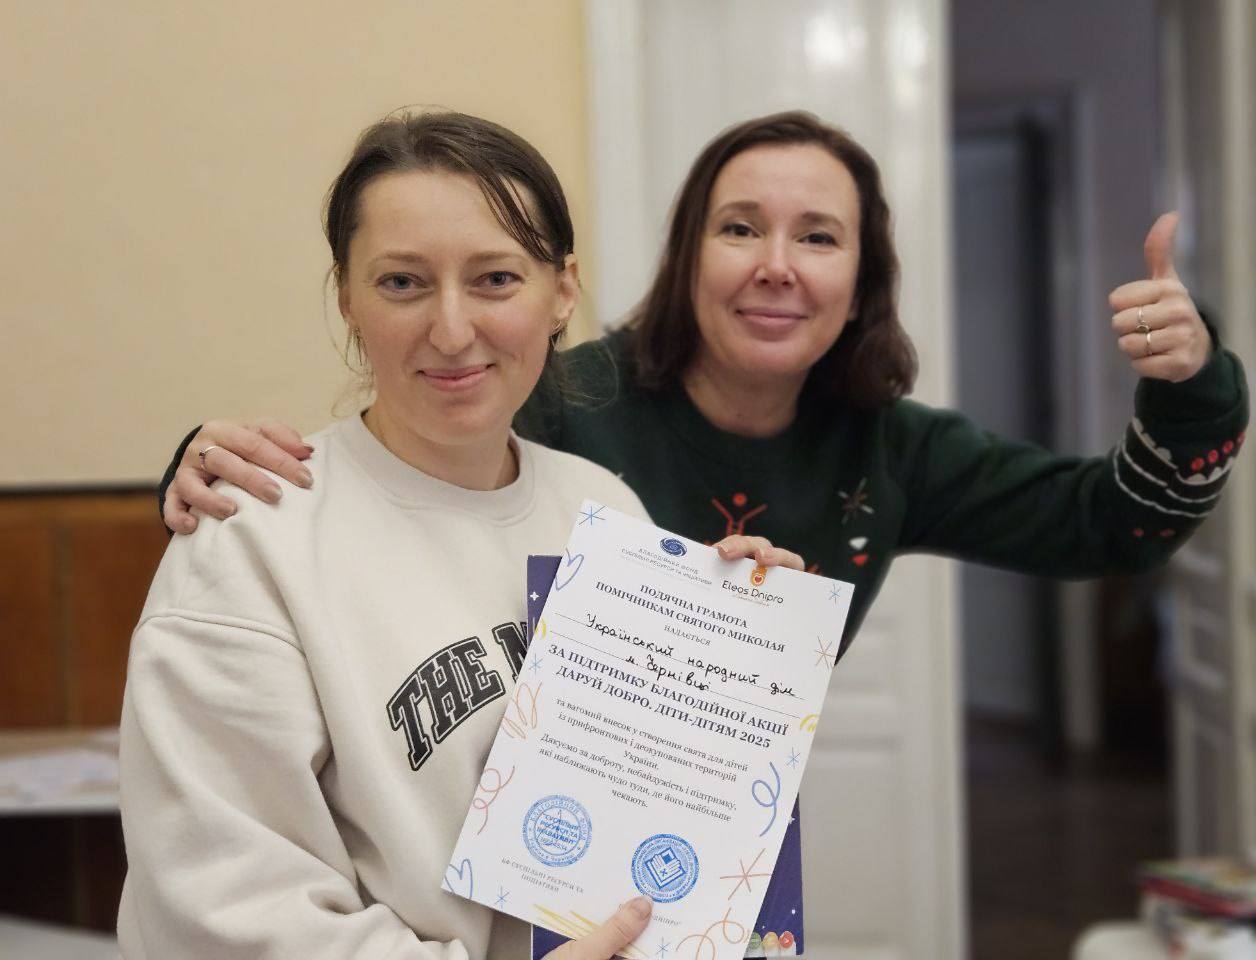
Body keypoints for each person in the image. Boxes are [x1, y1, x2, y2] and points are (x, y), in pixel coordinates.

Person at [161, 111, 1248, 663]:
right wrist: (202, 472)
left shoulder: (893, 451)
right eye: (738, 228)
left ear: (860, 282)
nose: (775, 265)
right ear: (687, 256)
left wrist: (1192, 381)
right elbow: (384, 468)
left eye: (817, 236)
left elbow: (1118, 527)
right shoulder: (553, 401)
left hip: (716, 854)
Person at [119, 110, 803, 960]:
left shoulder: (604, 509)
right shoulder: (253, 534)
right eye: (403, 282)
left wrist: (732, 658)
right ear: (347, 298)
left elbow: (664, 826)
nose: (450, 330)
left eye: (495, 279)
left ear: (561, 293)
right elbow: (222, 907)